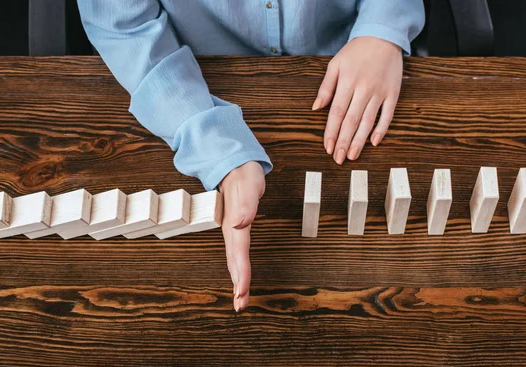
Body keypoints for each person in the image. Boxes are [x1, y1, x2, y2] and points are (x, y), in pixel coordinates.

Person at [77, 0, 425, 312]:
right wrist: (214, 146)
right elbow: (123, 27)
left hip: (354, 60)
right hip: (197, 78)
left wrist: (383, 29)